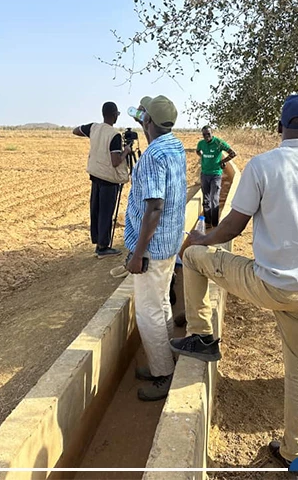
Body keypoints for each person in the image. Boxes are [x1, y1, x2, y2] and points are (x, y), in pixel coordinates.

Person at [169, 94, 298, 469]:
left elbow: (233, 226)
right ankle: (294, 454)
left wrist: (200, 238)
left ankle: (202, 336)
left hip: (268, 283)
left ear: (280, 127)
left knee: (192, 257)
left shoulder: (264, 165)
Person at [123, 95, 186, 401]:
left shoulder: (151, 156)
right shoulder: (174, 145)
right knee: (161, 303)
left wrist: (137, 254)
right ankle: (165, 360)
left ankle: (163, 375)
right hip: (170, 241)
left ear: (147, 121)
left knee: (148, 311)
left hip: (152, 247)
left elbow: (154, 207)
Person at [76, 102, 133, 257]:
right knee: (106, 213)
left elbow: (76, 130)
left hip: (95, 176)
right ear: (114, 114)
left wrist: (92, 136)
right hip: (108, 179)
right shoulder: (114, 135)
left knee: (96, 210)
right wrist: (126, 151)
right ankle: (103, 247)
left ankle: (98, 242)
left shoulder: (94, 128)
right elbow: (115, 161)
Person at [195, 126, 236, 227]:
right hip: (204, 174)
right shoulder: (201, 143)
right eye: (204, 135)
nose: (206, 136)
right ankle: (208, 222)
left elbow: (233, 153)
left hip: (216, 175)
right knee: (206, 199)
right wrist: (202, 157)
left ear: (212, 133)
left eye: (208, 134)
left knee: (214, 199)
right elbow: (197, 151)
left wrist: (222, 161)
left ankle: (215, 223)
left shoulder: (218, 143)